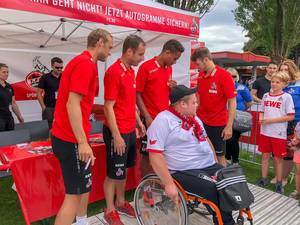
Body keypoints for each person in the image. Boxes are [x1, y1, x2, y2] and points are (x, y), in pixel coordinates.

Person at [147, 85, 236, 225]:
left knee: (233, 179)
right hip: (184, 169)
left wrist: (215, 163)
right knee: (214, 188)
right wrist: (169, 184)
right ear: (182, 104)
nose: (197, 105)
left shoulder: (194, 118)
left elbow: (206, 140)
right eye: (194, 102)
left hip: (207, 165)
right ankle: (225, 222)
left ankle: (225, 218)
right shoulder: (163, 120)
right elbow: (155, 155)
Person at [51, 28, 113, 225]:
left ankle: (81, 221)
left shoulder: (88, 64)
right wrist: (82, 142)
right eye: (110, 47)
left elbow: (84, 103)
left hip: (73, 137)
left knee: (82, 188)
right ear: (100, 42)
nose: (110, 52)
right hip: (70, 139)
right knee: (74, 195)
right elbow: (72, 103)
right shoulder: (85, 64)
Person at [103, 35, 146, 225]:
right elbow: (108, 107)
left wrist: (138, 122)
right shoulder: (114, 72)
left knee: (123, 170)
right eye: (140, 54)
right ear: (129, 51)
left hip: (129, 129)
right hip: (117, 132)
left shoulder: (130, 72)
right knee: (113, 172)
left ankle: (121, 202)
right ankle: (109, 209)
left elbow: (129, 103)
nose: (142, 58)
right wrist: (116, 135)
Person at [136, 39, 184, 176]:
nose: (175, 62)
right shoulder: (146, 67)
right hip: (150, 119)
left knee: (163, 153)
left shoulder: (169, 68)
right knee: (147, 155)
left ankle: (158, 183)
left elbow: (163, 92)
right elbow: (137, 94)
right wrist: (147, 117)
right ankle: (146, 189)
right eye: (174, 58)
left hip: (164, 119)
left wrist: (172, 88)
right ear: (167, 52)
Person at [191, 47, 237, 167]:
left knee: (219, 156)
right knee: (201, 152)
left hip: (217, 124)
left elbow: (232, 101)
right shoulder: (201, 76)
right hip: (201, 121)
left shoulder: (224, 76)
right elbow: (199, 98)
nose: (197, 67)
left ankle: (223, 183)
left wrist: (229, 126)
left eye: (198, 64)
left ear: (206, 59)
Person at [256, 71, 295, 194]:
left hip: (278, 133)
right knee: (265, 156)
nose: (274, 84)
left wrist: (271, 121)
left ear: (284, 84)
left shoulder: (286, 97)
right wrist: (261, 118)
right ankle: (264, 179)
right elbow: (262, 110)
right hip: (265, 132)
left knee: (278, 159)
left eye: (277, 82)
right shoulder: (266, 95)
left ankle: (279, 183)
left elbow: (290, 116)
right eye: (273, 81)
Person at [279, 59, 300, 186]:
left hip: (296, 122)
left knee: (292, 150)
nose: (283, 72)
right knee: (282, 150)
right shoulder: (279, 84)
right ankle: (281, 176)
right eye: (281, 69)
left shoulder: (298, 84)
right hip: (281, 122)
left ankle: (285, 178)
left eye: (286, 69)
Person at [225, 68, 252, 164]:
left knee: (233, 140)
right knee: (226, 139)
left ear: (237, 77)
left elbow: (249, 102)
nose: (231, 78)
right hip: (223, 117)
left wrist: (241, 111)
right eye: (229, 75)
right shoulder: (222, 86)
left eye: (234, 76)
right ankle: (227, 158)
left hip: (236, 119)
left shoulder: (242, 88)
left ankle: (235, 161)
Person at [37, 57, 63, 128]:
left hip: (62, 108)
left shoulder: (65, 77)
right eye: (57, 67)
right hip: (49, 108)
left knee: (62, 129)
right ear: (52, 66)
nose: (60, 69)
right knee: (49, 129)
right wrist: (43, 107)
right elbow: (39, 92)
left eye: (61, 67)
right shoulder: (45, 77)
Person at [0, 63, 24, 131]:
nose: (6, 74)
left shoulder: (9, 87)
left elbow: (13, 103)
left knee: (11, 139)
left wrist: (19, 116)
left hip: (9, 118)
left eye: (7, 72)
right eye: (4, 72)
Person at [288, 121, 300, 202]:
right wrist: (293, 142)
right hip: (298, 151)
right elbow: (296, 135)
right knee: (298, 171)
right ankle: (297, 190)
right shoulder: (299, 123)